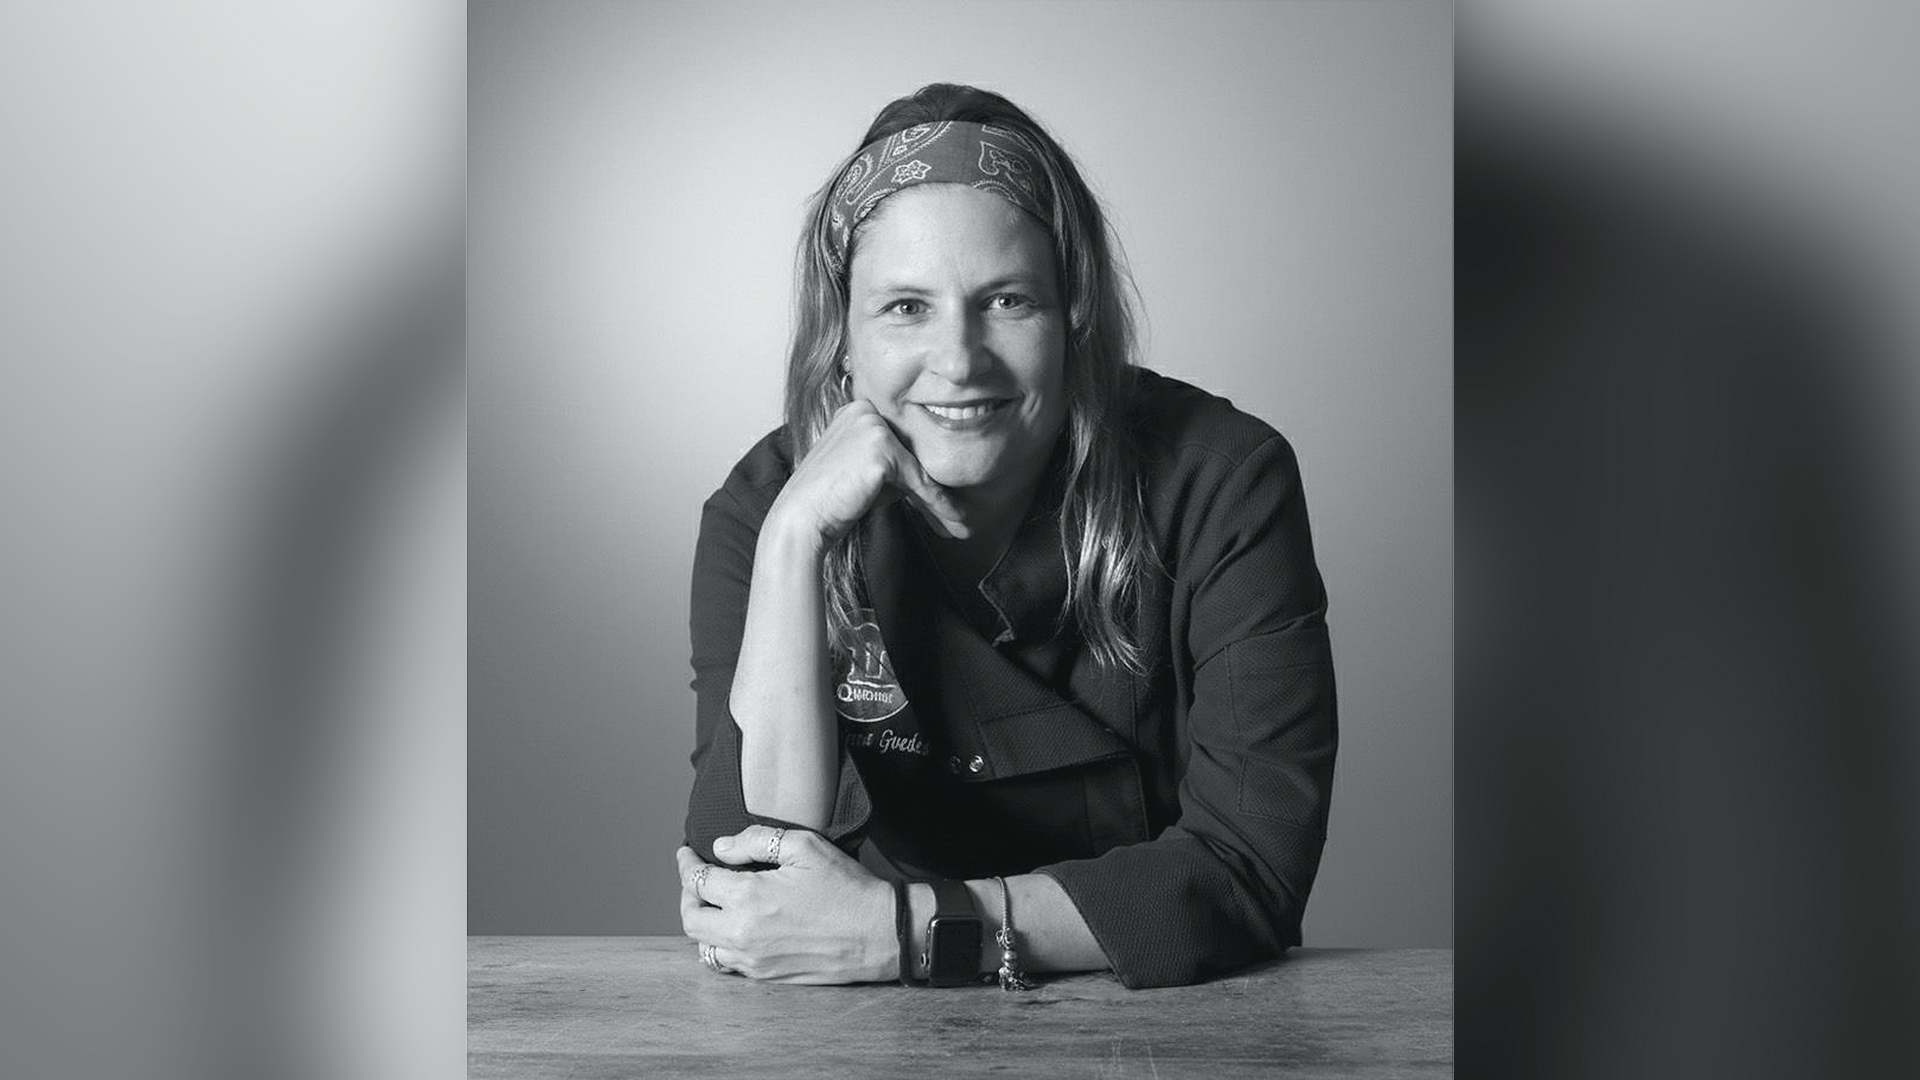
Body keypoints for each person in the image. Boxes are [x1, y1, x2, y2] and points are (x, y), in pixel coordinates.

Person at [677, 83, 1335, 990]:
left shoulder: (1222, 482)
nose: (959, 360)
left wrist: (906, 930)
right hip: (869, 1029)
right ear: (843, 337)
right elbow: (747, 876)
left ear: (1074, 318)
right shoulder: (765, 508)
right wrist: (796, 543)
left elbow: (1249, 870)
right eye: (905, 307)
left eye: (1008, 300)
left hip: (1152, 1020)